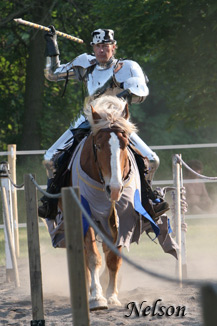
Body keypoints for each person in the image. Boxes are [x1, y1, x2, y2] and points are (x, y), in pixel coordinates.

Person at [39, 27, 169, 220]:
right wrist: (52, 44)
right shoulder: (85, 64)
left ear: (113, 47)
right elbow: (52, 74)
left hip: (117, 121)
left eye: (106, 46)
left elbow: (142, 90)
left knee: (151, 160)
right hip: (88, 120)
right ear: (93, 47)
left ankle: (149, 200)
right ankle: (51, 202)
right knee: (50, 158)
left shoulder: (127, 67)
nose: (102, 50)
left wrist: (125, 93)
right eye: (98, 46)